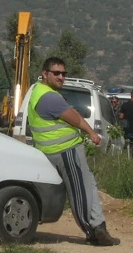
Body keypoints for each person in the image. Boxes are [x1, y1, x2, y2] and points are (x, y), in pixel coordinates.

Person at [28, 57, 120, 246]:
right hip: (65, 150)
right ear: (45, 74)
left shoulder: (38, 91)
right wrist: (92, 133)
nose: (61, 77)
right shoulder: (50, 97)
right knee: (81, 192)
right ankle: (95, 231)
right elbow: (75, 118)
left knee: (87, 185)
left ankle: (98, 227)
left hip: (52, 150)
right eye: (56, 73)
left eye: (63, 73)